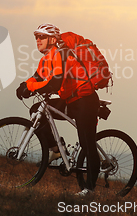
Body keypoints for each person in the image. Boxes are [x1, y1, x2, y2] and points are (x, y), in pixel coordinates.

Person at [16, 23, 101, 197]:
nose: (37, 40)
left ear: (52, 39)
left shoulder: (62, 54)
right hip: (70, 101)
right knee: (36, 110)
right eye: (36, 37)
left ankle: (90, 189)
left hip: (85, 101)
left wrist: (33, 88)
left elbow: (55, 82)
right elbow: (38, 77)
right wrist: (24, 86)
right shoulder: (47, 58)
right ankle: (56, 149)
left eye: (41, 37)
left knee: (87, 144)